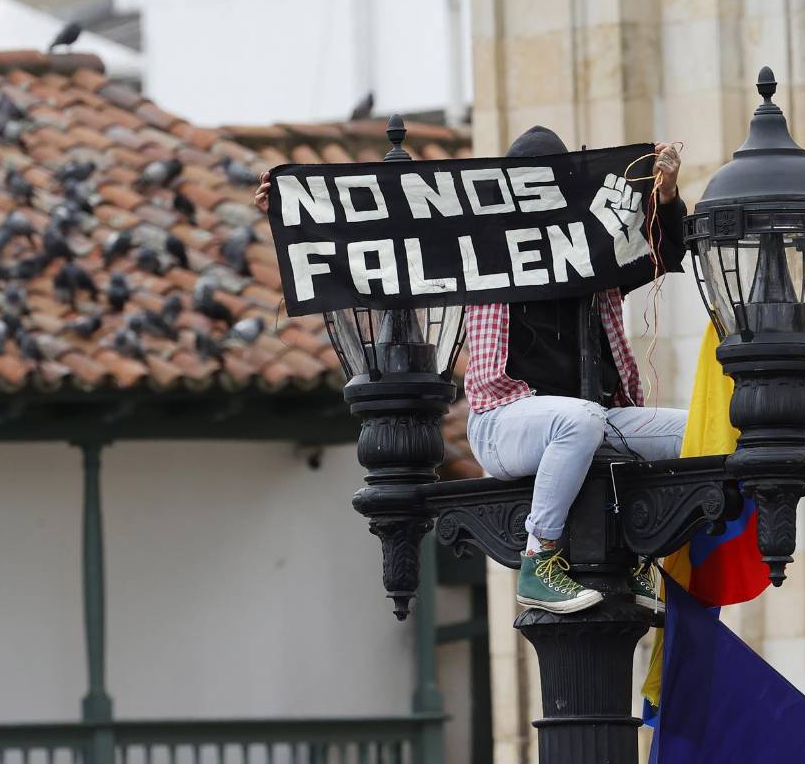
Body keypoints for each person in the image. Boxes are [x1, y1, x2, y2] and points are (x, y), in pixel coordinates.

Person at [255, 127, 688, 615]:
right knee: (579, 419)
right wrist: (288, 213)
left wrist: (667, 195)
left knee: (694, 432)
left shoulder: (593, 254)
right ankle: (539, 559)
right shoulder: (481, 252)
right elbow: (384, 243)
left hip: (597, 421)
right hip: (504, 423)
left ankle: (639, 553)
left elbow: (662, 250)